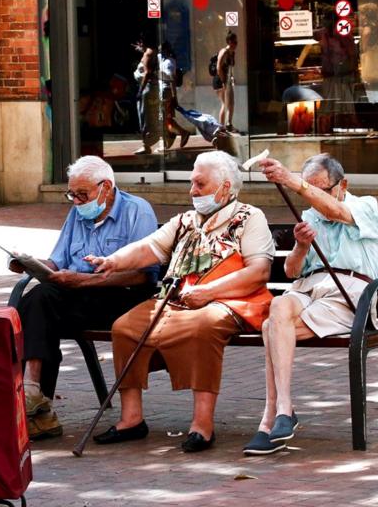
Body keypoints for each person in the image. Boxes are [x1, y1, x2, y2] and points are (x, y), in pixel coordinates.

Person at [85, 151, 274, 452]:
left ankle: (202, 424)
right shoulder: (185, 220)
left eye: (200, 184)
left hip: (229, 300)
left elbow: (259, 271)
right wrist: (113, 261)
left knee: (203, 326)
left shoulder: (250, 217)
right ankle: (132, 419)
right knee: (124, 328)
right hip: (179, 300)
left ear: (225, 187)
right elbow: (149, 248)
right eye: (191, 183)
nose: (192, 191)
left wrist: (209, 291)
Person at [245, 154, 378, 455]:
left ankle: (271, 417)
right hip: (309, 288)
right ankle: (284, 408)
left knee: (271, 327)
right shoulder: (308, 217)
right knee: (278, 307)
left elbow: (335, 211)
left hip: (348, 292)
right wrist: (301, 246)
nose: (313, 196)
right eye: (309, 189)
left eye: (321, 189)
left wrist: (290, 180)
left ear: (342, 184)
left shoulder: (364, 206)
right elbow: (292, 272)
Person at [13, 156, 159, 439]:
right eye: (73, 195)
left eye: (83, 195)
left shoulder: (137, 211)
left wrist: (87, 280)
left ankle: (34, 397)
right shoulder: (77, 214)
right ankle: (34, 397)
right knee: (33, 303)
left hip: (120, 297)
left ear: (105, 188)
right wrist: (31, 264)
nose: (77, 201)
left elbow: (144, 274)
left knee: (41, 303)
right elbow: (58, 261)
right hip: (77, 294)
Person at [215, 31, 237, 131]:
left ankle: (229, 124)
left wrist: (232, 78)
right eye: (233, 42)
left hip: (228, 80)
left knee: (231, 103)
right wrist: (223, 81)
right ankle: (221, 127)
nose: (235, 44)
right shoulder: (224, 52)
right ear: (228, 42)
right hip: (220, 80)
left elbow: (230, 68)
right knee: (224, 103)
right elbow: (218, 68)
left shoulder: (232, 53)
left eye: (236, 42)